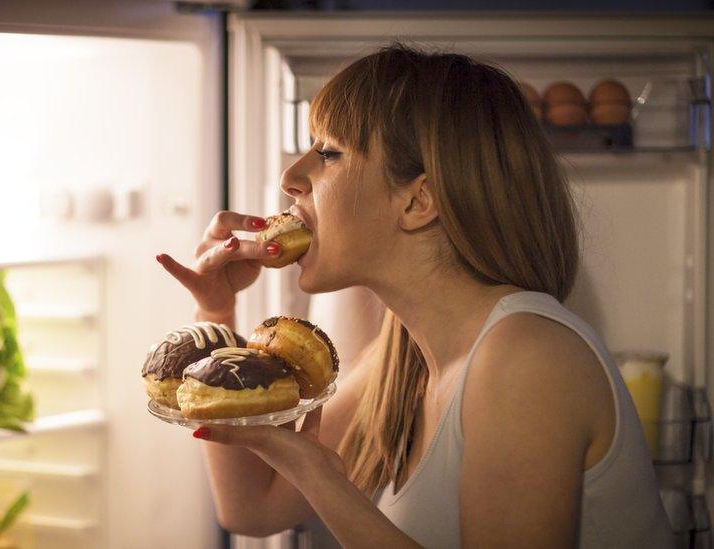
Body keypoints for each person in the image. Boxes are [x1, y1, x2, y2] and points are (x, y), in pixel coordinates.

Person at [155, 44, 672, 548]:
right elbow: (253, 509)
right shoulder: (401, 357)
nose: (290, 179)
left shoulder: (526, 358)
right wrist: (216, 311)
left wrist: (323, 479)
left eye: (328, 153)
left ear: (418, 200)